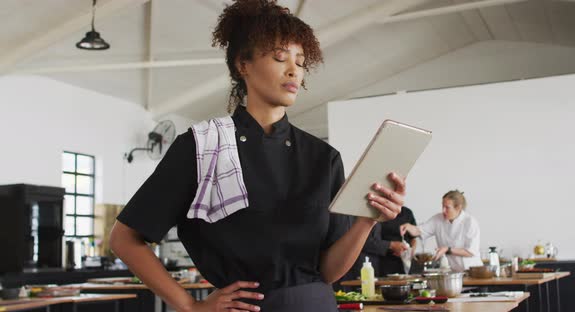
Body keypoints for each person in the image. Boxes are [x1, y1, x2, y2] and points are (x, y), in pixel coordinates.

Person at [109, 1, 407, 312]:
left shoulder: (323, 158)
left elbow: (328, 271)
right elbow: (124, 238)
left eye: (301, 61)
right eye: (280, 57)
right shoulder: (202, 147)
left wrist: (366, 222)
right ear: (243, 65)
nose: (294, 69)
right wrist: (189, 305)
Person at [400, 190, 482, 272]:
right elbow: (419, 231)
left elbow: (471, 251)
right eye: (443, 206)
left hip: (473, 271)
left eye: (447, 207)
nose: (443, 210)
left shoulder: (470, 222)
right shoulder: (438, 219)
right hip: (455, 271)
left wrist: (447, 249)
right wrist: (408, 227)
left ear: (458, 208)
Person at [347, 206, 417, 279]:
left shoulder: (407, 212)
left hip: (403, 263)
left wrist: (410, 251)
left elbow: (414, 238)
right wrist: (391, 245)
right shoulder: (372, 212)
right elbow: (364, 240)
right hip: (380, 262)